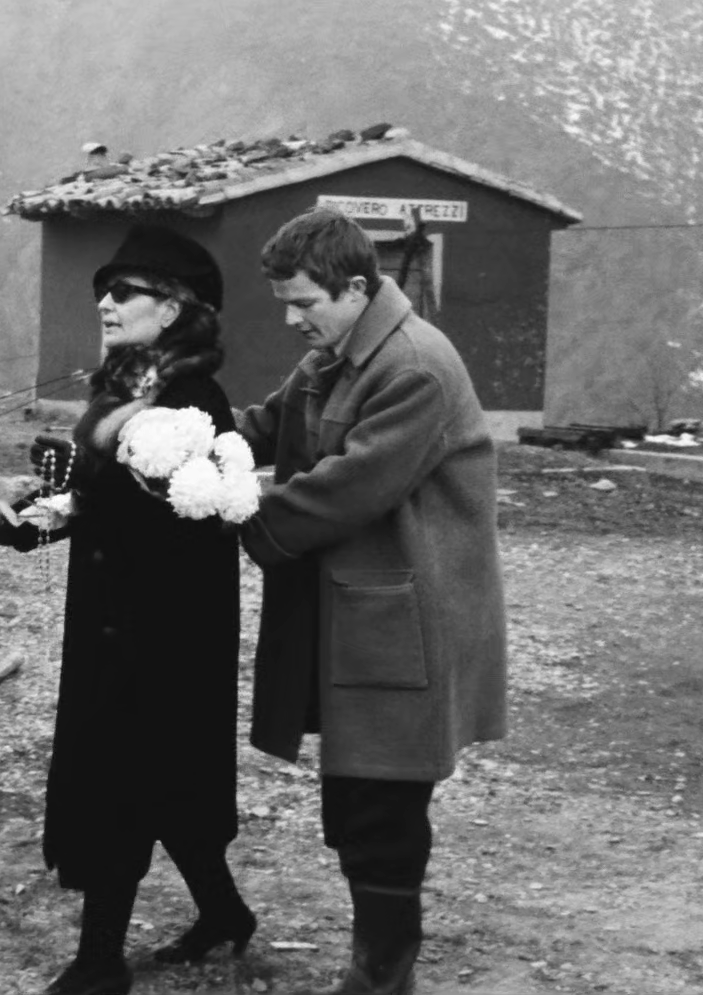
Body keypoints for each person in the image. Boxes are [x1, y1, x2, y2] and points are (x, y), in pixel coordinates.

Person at [0, 226, 254, 995]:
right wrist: (27, 522)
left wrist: (87, 496)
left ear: (173, 308)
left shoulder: (194, 403)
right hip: (117, 612)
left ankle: (99, 964)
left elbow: (185, 522)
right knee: (168, 776)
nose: (105, 303)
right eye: (102, 291)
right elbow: (99, 498)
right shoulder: (125, 391)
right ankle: (224, 914)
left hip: (167, 627)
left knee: (123, 776)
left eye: (124, 291)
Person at [234, 207, 508, 995]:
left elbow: (346, 490)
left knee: (384, 801)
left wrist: (229, 511)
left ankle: (383, 971)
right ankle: (381, 963)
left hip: (410, 619)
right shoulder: (339, 353)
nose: (292, 319)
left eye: (304, 303)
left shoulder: (413, 367)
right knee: (358, 794)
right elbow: (267, 425)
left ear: (354, 288)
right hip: (367, 608)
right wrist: (177, 437)